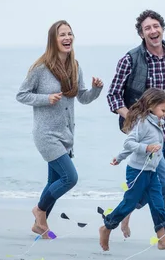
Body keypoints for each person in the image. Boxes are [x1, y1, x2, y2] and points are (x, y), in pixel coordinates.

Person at [17, 20, 103, 238]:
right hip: (45, 134)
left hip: (66, 133)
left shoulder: (75, 66)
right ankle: (40, 210)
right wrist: (46, 98)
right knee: (69, 178)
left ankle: (41, 228)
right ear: (53, 41)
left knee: (53, 181)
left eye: (70, 34)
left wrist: (96, 89)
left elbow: (82, 97)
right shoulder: (40, 68)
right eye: (62, 34)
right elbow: (22, 95)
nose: (67, 38)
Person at [106, 9, 165, 238]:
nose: (153, 31)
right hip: (144, 136)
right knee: (163, 184)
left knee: (164, 187)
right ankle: (163, 235)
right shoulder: (130, 59)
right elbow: (113, 96)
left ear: (162, 28)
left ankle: (133, 213)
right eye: (147, 28)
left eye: (156, 26)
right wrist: (133, 117)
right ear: (141, 34)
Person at [99, 87, 165, 252]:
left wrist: (121, 157)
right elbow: (129, 143)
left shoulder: (158, 122)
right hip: (137, 172)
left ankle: (162, 239)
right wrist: (146, 148)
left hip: (151, 171)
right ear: (151, 106)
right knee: (129, 203)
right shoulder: (142, 123)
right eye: (163, 110)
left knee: (157, 204)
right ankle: (107, 227)